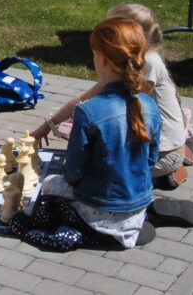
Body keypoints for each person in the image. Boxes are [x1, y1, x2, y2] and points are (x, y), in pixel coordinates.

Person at [9, 18, 161, 251]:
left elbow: (74, 172)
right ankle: (126, 228)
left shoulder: (89, 111)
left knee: (48, 186)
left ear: (102, 59)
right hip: (137, 204)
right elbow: (151, 159)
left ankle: (75, 233)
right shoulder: (149, 104)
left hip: (98, 208)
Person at [33, 3, 190, 189]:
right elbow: (84, 99)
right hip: (152, 148)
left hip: (163, 154)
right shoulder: (125, 62)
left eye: (110, 28)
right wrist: (48, 125)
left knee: (85, 171)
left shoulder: (148, 62)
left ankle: (157, 177)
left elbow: (128, 118)